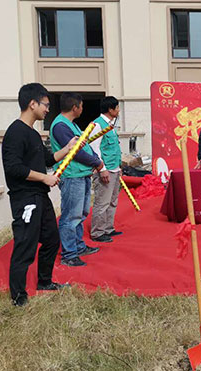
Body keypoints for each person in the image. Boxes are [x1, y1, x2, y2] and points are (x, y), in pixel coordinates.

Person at [2, 83, 78, 306]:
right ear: (31, 103)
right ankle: (18, 297)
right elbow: (13, 168)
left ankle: (44, 282)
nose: (47, 109)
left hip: (40, 197)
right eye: (45, 104)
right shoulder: (15, 132)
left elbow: (46, 160)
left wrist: (68, 149)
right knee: (25, 245)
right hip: (25, 198)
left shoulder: (33, 133)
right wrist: (45, 178)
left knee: (52, 240)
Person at [50, 93, 103, 267]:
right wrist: (96, 162)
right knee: (70, 216)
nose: (82, 109)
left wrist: (94, 159)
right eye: (81, 106)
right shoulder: (60, 126)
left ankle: (78, 246)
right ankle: (69, 254)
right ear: (75, 107)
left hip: (82, 175)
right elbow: (76, 153)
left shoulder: (72, 125)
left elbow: (84, 146)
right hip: (72, 176)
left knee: (80, 214)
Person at [89, 96, 123, 243]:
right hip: (105, 169)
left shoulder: (111, 125)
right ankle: (98, 232)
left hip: (115, 168)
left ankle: (108, 228)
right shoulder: (97, 125)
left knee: (112, 201)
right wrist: (102, 168)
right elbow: (94, 149)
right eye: (117, 107)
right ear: (110, 109)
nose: (119, 110)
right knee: (102, 202)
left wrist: (118, 167)